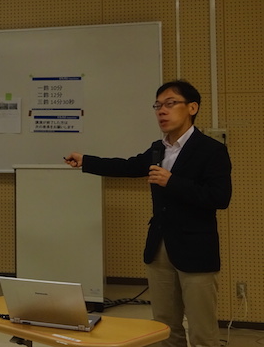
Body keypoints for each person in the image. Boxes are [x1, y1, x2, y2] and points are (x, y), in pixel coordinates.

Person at [65, 80, 232, 347]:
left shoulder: (211, 150)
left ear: (192, 108)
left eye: (170, 104)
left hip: (196, 249)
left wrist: (172, 181)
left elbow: (220, 197)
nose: (162, 111)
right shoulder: (158, 148)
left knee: (202, 329)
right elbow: (128, 166)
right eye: (157, 106)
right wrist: (87, 161)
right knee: (164, 327)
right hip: (159, 246)